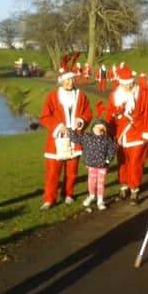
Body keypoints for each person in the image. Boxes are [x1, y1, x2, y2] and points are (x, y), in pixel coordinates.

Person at [39, 61, 92, 210]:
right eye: (67, 80)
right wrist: (58, 126)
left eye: (72, 79)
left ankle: (68, 194)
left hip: (75, 137)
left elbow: (88, 113)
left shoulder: (81, 96)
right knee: (53, 170)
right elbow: (44, 117)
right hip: (57, 138)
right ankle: (49, 199)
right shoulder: (52, 96)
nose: (70, 82)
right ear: (61, 81)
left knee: (72, 170)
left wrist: (81, 121)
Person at [107, 64, 148, 204]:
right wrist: (108, 131)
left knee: (135, 162)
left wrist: (147, 132)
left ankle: (134, 188)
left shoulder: (143, 93)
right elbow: (110, 115)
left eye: (130, 83)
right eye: (125, 84)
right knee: (122, 162)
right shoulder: (114, 96)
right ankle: (124, 185)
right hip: (121, 134)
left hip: (138, 133)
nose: (128, 86)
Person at [68, 104, 117, 210]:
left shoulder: (107, 139)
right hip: (91, 165)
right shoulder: (87, 137)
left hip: (102, 165)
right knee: (91, 182)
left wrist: (108, 160)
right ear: (93, 128)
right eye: (96, 128)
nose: (98, 130)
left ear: (104, 130)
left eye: (101, 128)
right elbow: (75, 139)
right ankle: (91, 195)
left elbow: (112, 149)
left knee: (100, 183)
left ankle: (100, 200)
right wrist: (73, 129)